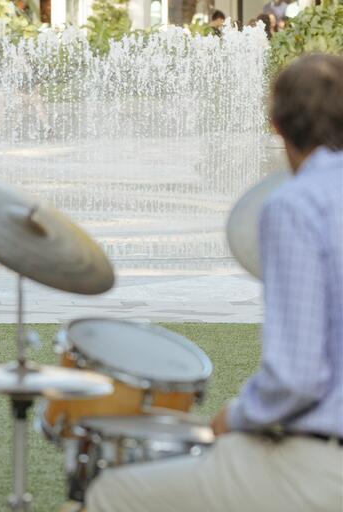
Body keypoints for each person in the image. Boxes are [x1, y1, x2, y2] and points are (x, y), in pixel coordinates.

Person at [86, 53, 343, 512]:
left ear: (277, 126)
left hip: (326, 465)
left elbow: (297, 379)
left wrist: (237, 416)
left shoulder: (297, 205)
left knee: (111, 493)